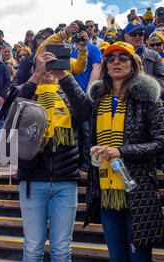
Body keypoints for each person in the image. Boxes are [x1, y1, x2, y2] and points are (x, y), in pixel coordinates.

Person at [55, 41, 164, 262]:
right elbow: (80, 110)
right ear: (105, 65)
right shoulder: (98, 97)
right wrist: (63, 75)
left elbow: (161, 143)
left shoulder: (149, 99)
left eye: (122, 57)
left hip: (138, 193)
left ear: (133, 64)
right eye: (110, 58)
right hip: (106, 193)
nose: (116, 61)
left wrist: (122, 151)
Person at [16, 49, 89, 262]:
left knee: (61, 250)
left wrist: (64, 75)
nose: (49, 68)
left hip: (65, 182)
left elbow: (85, 111)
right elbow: (11, 110)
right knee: (34, 248)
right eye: (43, 64)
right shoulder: (28, 92)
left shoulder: (68, 94)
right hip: (32, 181)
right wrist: (35, 75)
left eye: (52, 64)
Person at [70, 20, 103, 172]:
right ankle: (74, 162)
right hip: (69, 96)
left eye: (79, 32)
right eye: (73, 33)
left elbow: (97, 69)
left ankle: (87, 163)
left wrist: (88, 92)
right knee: (73, 131)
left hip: (85, 95)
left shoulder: (93, 48)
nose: (76, 36)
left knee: (86, 130)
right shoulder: (69, 50)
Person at [122, 20, 164, 94]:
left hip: (148, 101)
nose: (137, 37)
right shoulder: (118, 55)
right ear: (125, 36)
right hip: (124, 100)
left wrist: (154, 94)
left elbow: (162, 79)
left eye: (140, 34)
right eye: (133, 34)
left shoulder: (154, 55)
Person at [149, 31, 164, 173]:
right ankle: (156, 165)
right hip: (152, 100)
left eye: (158, 44)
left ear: (163, 44)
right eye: (152, 45)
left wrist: (159, 65)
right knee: (154, 134)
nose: (155, 47)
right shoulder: (146, 55)